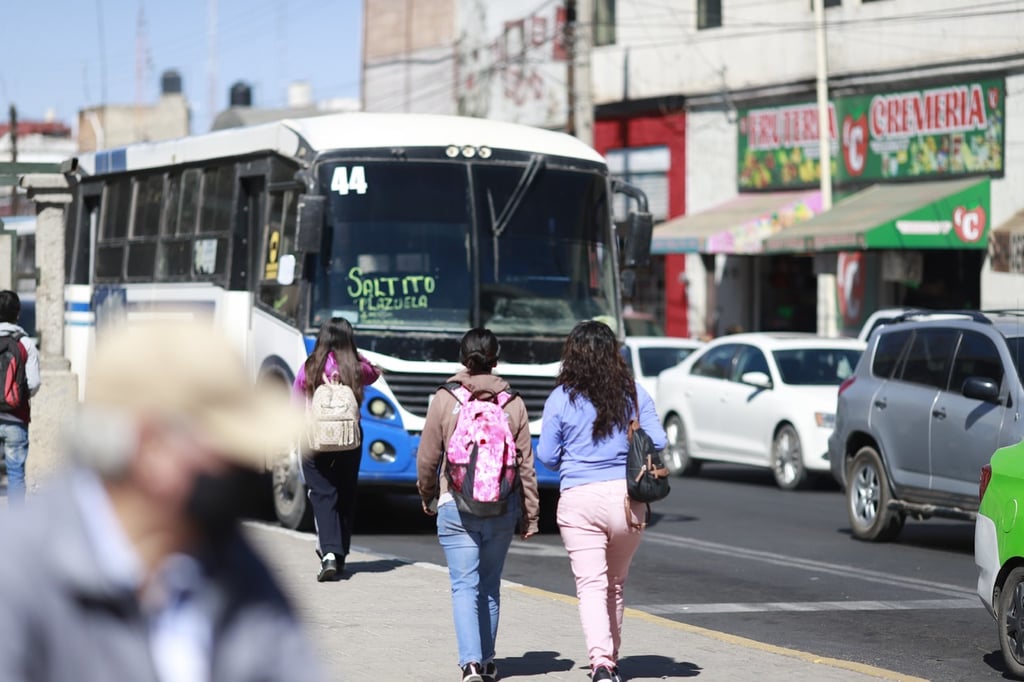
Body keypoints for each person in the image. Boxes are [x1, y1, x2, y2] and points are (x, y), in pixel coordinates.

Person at [0, 320, 323, 682]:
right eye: (227, 446)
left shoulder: (234, 563)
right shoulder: (18, 573)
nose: (245, 465)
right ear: (152, 447)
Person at [537, 320, 667, 682]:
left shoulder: (561, 397)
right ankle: (611, 656)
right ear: (614, 354)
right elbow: (658, 441)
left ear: (572, 355)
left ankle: (602, 663)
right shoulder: (634, 393)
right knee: (615, 583)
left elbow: (546, 455)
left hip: (579, 499)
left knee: (591, 584)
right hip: (627, 499)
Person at [417, 328, 540, 682]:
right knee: (489, 583)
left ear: (462, 358)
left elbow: (428, 457)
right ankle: (486, 662)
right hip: (502, 508)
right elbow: (526, 465)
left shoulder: (445, 399)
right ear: (496, 359)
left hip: (455, 503)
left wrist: (427, 494)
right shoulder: (512, 402)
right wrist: (530, 515)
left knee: (463, 585)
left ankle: (470, 664)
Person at [293, 316, 381, 582]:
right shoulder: (354, 368)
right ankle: (340, 556)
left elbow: (296, 402)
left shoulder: (309, 366)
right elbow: (374, 373)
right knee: (345, 494)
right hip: (348, 439)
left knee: (322, 495)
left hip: (314, 439)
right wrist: (357, 355)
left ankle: (329, 554)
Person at [0, 290, 41, 505]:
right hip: (16, 418)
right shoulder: (25, 344)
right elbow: (34, 384)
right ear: (17, 314)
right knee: (16, 474)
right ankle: (15, 528)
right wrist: (18, 394)